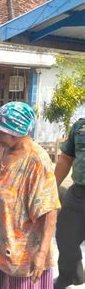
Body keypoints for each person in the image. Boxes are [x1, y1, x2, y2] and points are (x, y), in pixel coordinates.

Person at [0, 102, 61, 289]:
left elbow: (49, 211)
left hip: (22, 252)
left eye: (2, 131)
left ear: (17, 132)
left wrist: (41, 253)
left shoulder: (37, 161)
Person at [53, 117, 85, 289]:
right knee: (65, 236)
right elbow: (66, 158)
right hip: (79, 191)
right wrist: (51, 189)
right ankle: (69, 275)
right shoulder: (80, 126)